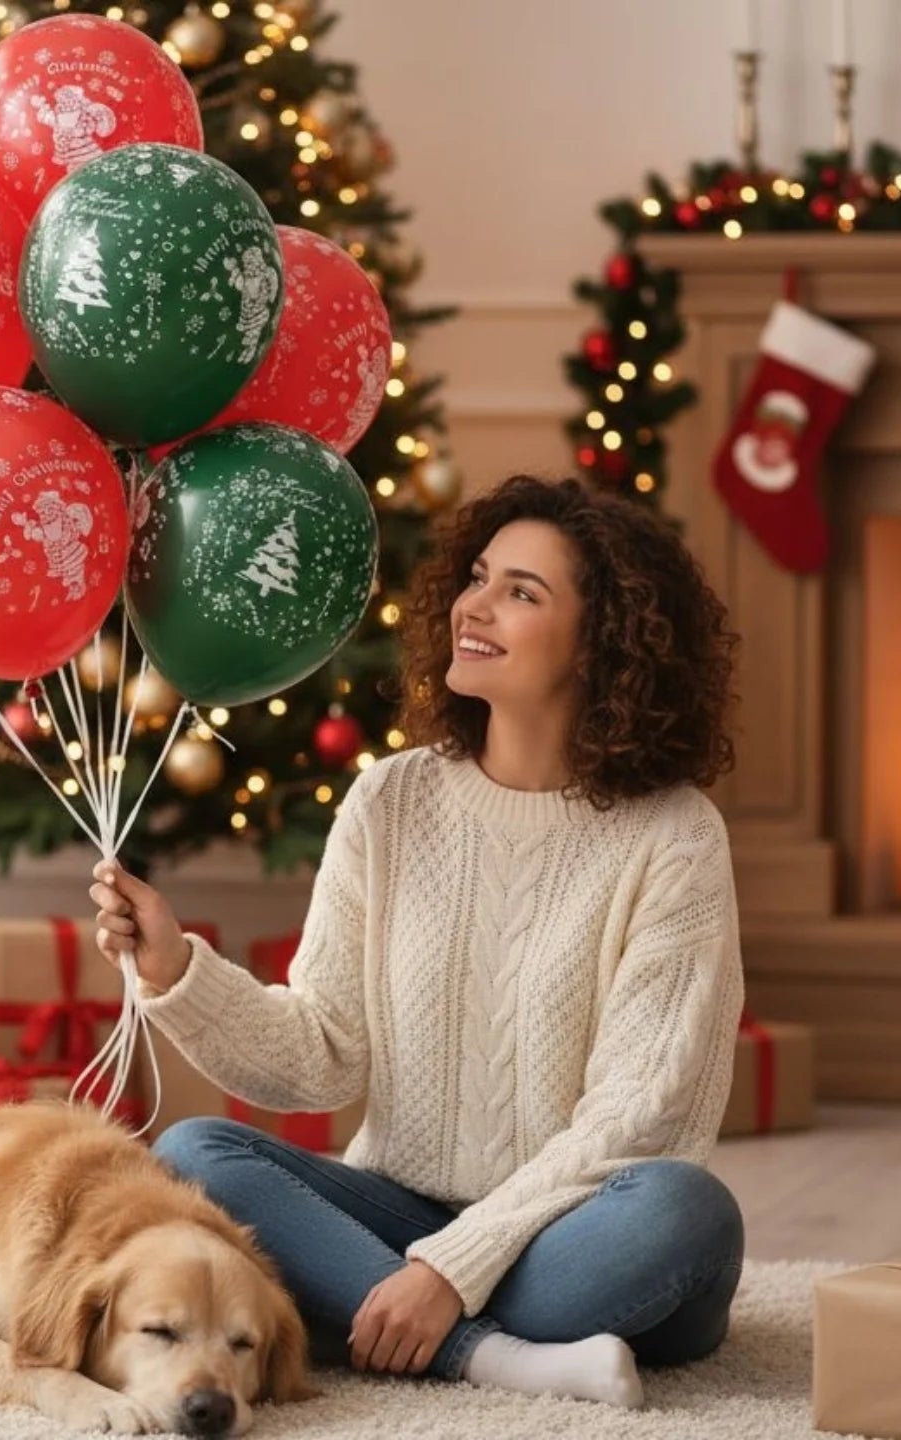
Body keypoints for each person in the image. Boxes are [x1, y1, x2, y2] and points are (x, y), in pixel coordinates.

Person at [90, 475, 745, 1410]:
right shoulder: (392, 801)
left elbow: (637, 1118)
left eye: (523, 592)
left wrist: (449, 1271)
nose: (474, 607)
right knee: (197, 1153)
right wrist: (175, 971)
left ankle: (376, 1306)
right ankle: (496, 1358)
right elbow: (322, 1056)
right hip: (400, 1212)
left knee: (685, 1209)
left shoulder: (673, 835)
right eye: (478, 578)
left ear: (603, 642)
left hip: (575, 1231)